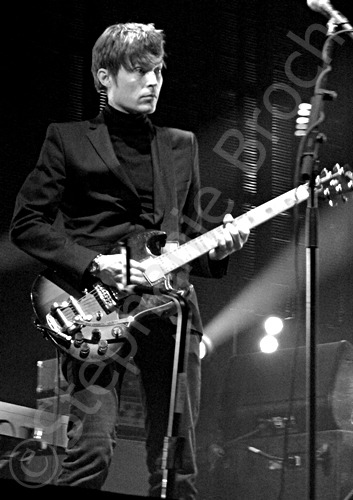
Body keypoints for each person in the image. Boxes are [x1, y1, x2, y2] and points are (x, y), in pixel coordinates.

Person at [9, 22, 249, 499]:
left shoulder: (180, 145)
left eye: (158, 71)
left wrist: (220, 248)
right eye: (139, 72)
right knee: (92, 450)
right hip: (92, 307)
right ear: (104, 76)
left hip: (169, 311)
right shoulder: (67, 139)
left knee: (176, 462)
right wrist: (95, 264)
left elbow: (183, 236)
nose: (153, 81)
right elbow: (26, 223)